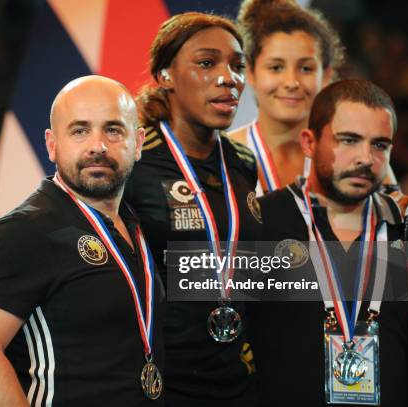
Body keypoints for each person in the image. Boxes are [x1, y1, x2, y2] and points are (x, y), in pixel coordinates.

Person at [0, 75, 166, 406]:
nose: (97, 145)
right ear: (52, 144)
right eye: (79, 131)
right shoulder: (25, 230)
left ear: (137, 143)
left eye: (113, 130)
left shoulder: (137, 224)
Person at [124, 12, 260, 406]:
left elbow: (250, 269)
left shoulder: (242, 164)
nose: (227, 78)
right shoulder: (133, 162)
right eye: (206, 63)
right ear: (165, 74)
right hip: (160, 386)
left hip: (236, 380)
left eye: (237, 66)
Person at [254, 79, 408, 406]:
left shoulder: (406, 227)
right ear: (309, 142)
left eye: (379, 145)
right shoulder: (260, 221)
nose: (365, 158)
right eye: (349, 140)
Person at [228, 0, 344, 196]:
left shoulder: (348, 153)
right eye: (276, 67)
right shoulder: (222, 156)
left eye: (306, 68)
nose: (291, 82)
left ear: (325, 75)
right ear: (249, 71)